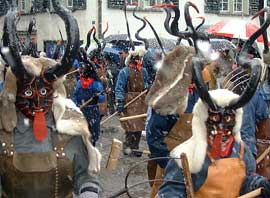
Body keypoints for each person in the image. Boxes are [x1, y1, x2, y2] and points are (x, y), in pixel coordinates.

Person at [0, 2, 101, 197]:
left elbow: (86, 175)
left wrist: (89, 193)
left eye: (44, 93)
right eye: (29, 94)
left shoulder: (70, 125)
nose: (38, 102)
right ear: (17, 92)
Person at [157, 56, 270, 197]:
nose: (221, 126)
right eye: (215, 118)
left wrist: (257, 184)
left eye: (228, 118)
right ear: (204, 119)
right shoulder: (186, 155)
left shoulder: (241, 150)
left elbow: (244, 181)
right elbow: (170, 192)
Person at [115, 48, 149, 156]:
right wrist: (120, 101)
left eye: (139, 59)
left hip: (141, 101)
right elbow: (119, 88)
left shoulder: (143, 71)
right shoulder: (124, 72)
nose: (138, 61)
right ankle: (128, 146)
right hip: (129, 101)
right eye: (137, 59)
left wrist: (147, 88)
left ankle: (135, 147)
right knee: (130, 125)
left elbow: (146, 84)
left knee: (138, 126)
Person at [73, 60, 105, 146]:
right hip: (81, 110)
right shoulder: (80, 82)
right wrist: (75, 105)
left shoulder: (96, 84)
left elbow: (102, 97)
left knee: (92, 133)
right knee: (80, 133)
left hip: (92, 111)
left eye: (83, 69)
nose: (81, 71)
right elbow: (75, 95)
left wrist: (96, 98)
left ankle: (91, 148)